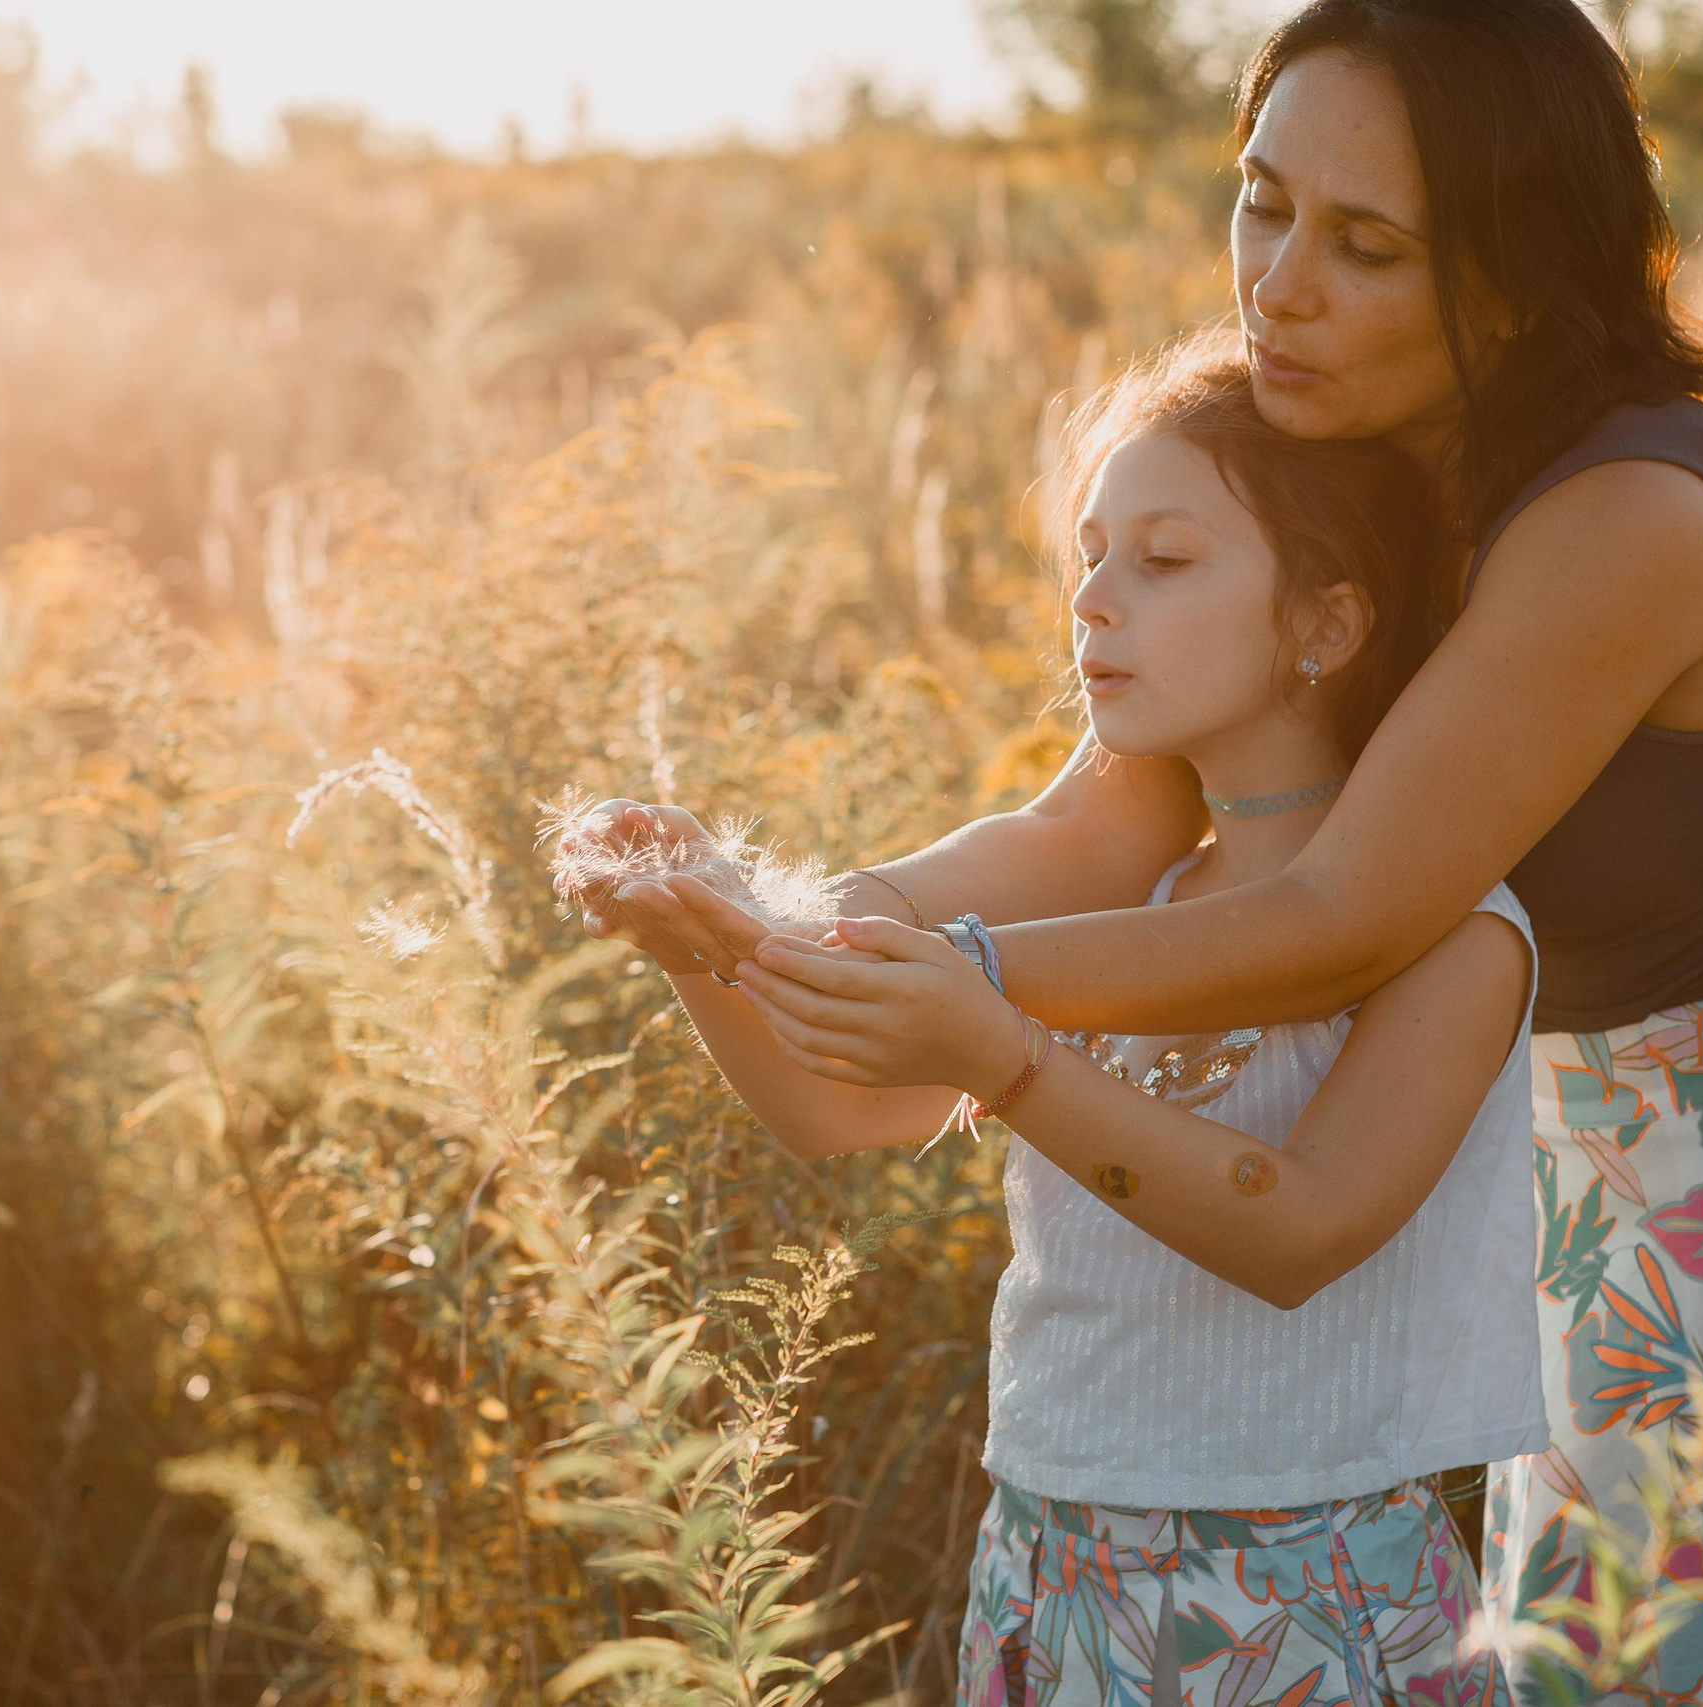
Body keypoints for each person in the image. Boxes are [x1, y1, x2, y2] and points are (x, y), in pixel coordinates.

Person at [569, 2, 1703, 1701]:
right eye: (1264, 203)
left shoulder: (1635, 512)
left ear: (1519, 273)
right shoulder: (1313, 461)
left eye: (1366, 245)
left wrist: (967, 1006)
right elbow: (1098, 821)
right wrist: (782, 920)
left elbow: (1339, 917)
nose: (1279, 285)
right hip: (1593, 1213)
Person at [589, 340, 1542, 1706]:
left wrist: (1011, 1060)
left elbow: (1299, 1228)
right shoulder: (1138, 902)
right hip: (1046, 1575)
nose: (1093, 601)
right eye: (1090, 557)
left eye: (1163, 562)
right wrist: (707, 942)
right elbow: (831, 1110)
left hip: (1298, 1603)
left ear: (1326, 625)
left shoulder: (1454, 934)